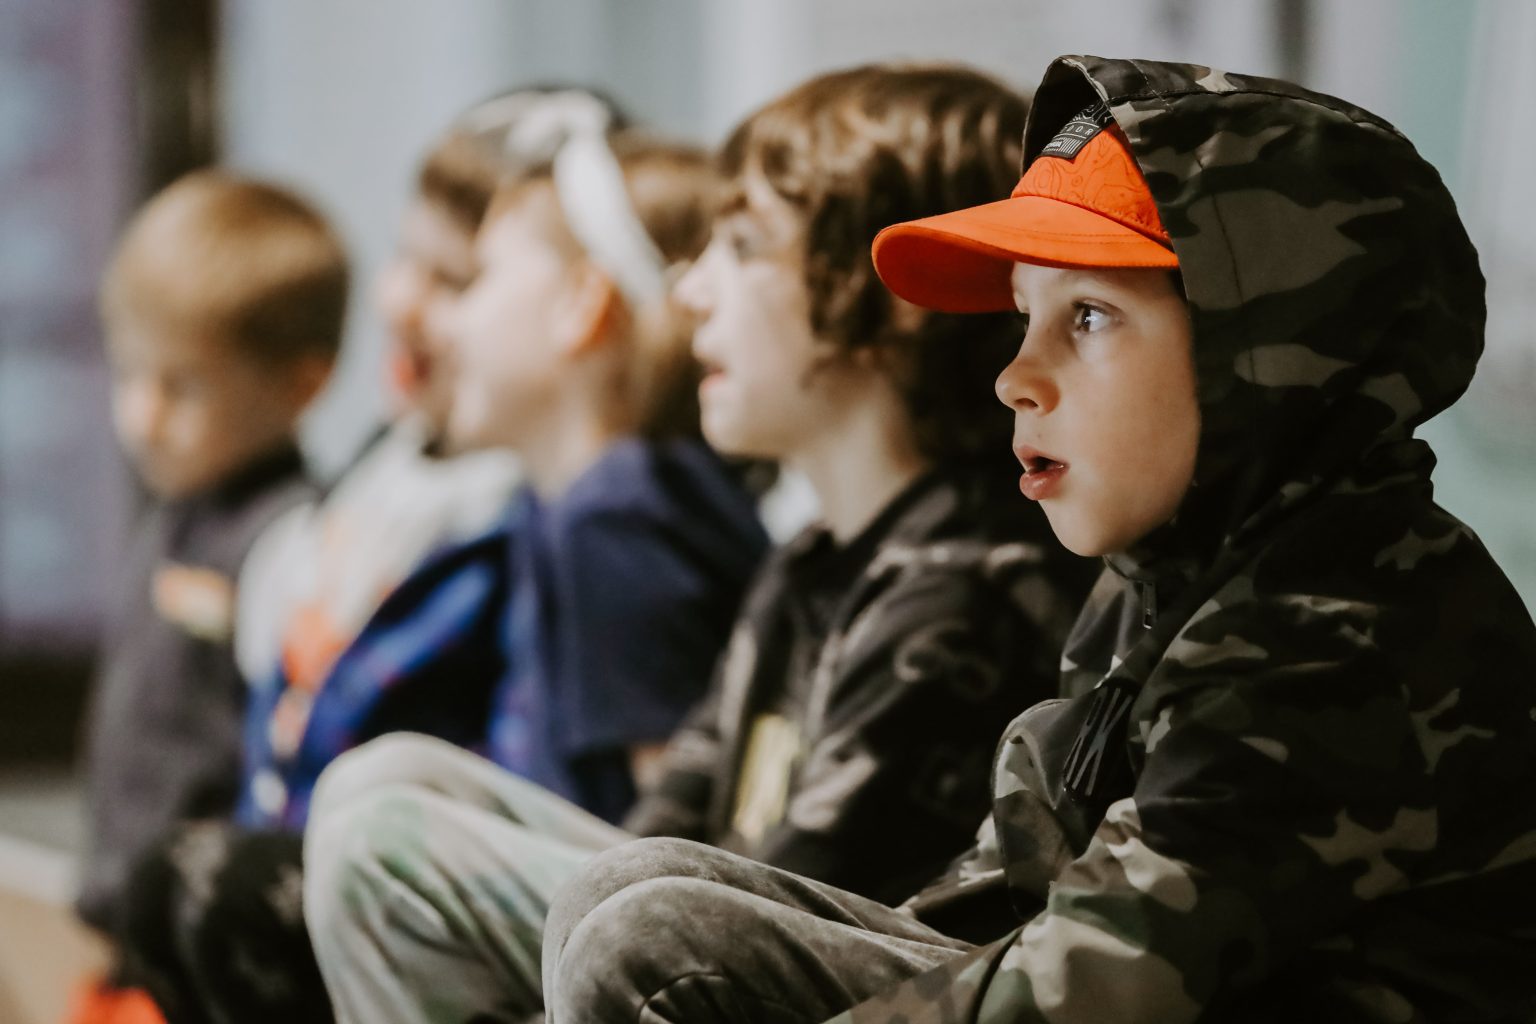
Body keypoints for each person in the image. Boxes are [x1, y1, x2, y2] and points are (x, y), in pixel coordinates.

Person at [539, 54, 1536, 1024]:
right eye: (1025, 316)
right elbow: (983, 913)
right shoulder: (1162, 587)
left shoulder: (1335, 635)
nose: (1016, 376)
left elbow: (1085, 991)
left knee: (654, 944)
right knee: (630, 890)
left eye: (1089, 317)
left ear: (1261, 361)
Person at [302, 63, 1095, 1024]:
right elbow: (666, 833)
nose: (688, 290)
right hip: (694, 945)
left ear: (891, 294)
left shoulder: (965, 585)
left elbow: (764, 916)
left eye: (744, 245)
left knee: (390, 844)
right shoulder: (811, 561)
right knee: (386, 781)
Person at [116, 99, 769, 1024]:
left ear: (582, 306)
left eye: (468, 281)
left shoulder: (618, 514)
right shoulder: (568, 509)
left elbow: (681, 838)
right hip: (573, 915)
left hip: (603, 936)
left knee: (220, 882)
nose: (430, 317)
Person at [74, 170, 345, 1017]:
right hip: (122, 947)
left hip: (200, 968)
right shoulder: (172, 518)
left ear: (302, 383)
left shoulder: (296, 543)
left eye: (181, 386)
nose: (142, 416)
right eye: (130, 375)